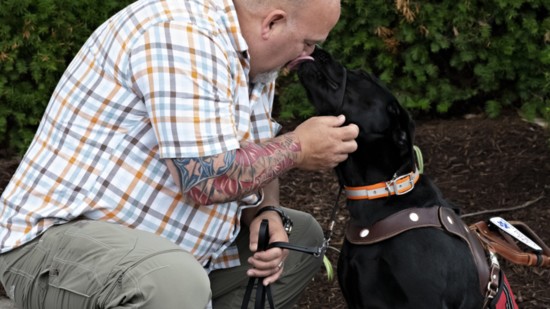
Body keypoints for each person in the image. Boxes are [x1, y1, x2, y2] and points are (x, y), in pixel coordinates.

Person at [0, 0, 358, 308]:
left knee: (301, 239)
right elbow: (203, 179)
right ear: (273, 23)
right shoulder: (181, 34)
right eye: (308, 43)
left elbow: (256, 149)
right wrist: (298, 147)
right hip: (51, 246)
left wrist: (264, 210)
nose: (307, 56)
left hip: (163, 257)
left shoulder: (255, 61)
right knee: (170, 281)